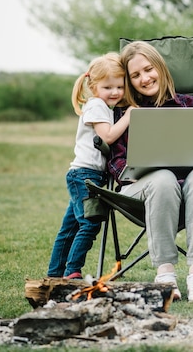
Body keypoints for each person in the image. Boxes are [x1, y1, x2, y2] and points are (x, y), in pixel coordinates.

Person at [108, 41, 193, 303]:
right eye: (135, 76)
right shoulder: (126, 114)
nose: (145, 79)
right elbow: (116, 163)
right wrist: (130, 172)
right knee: (162, 179)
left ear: (160, 67)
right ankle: (165, 274)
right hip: (144, 187)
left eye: (148, 69)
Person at [47, 52, 136, 280]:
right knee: (90, 222)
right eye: (108, 87)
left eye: (120, 86)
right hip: (85, 175)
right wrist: (129, 116)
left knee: (70, 228)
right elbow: (106, 137)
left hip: (86, 175)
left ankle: (55, 274)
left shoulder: (104, 105)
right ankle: (72, 272)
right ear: (94, 86)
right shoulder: (96, 105)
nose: (115, 92)